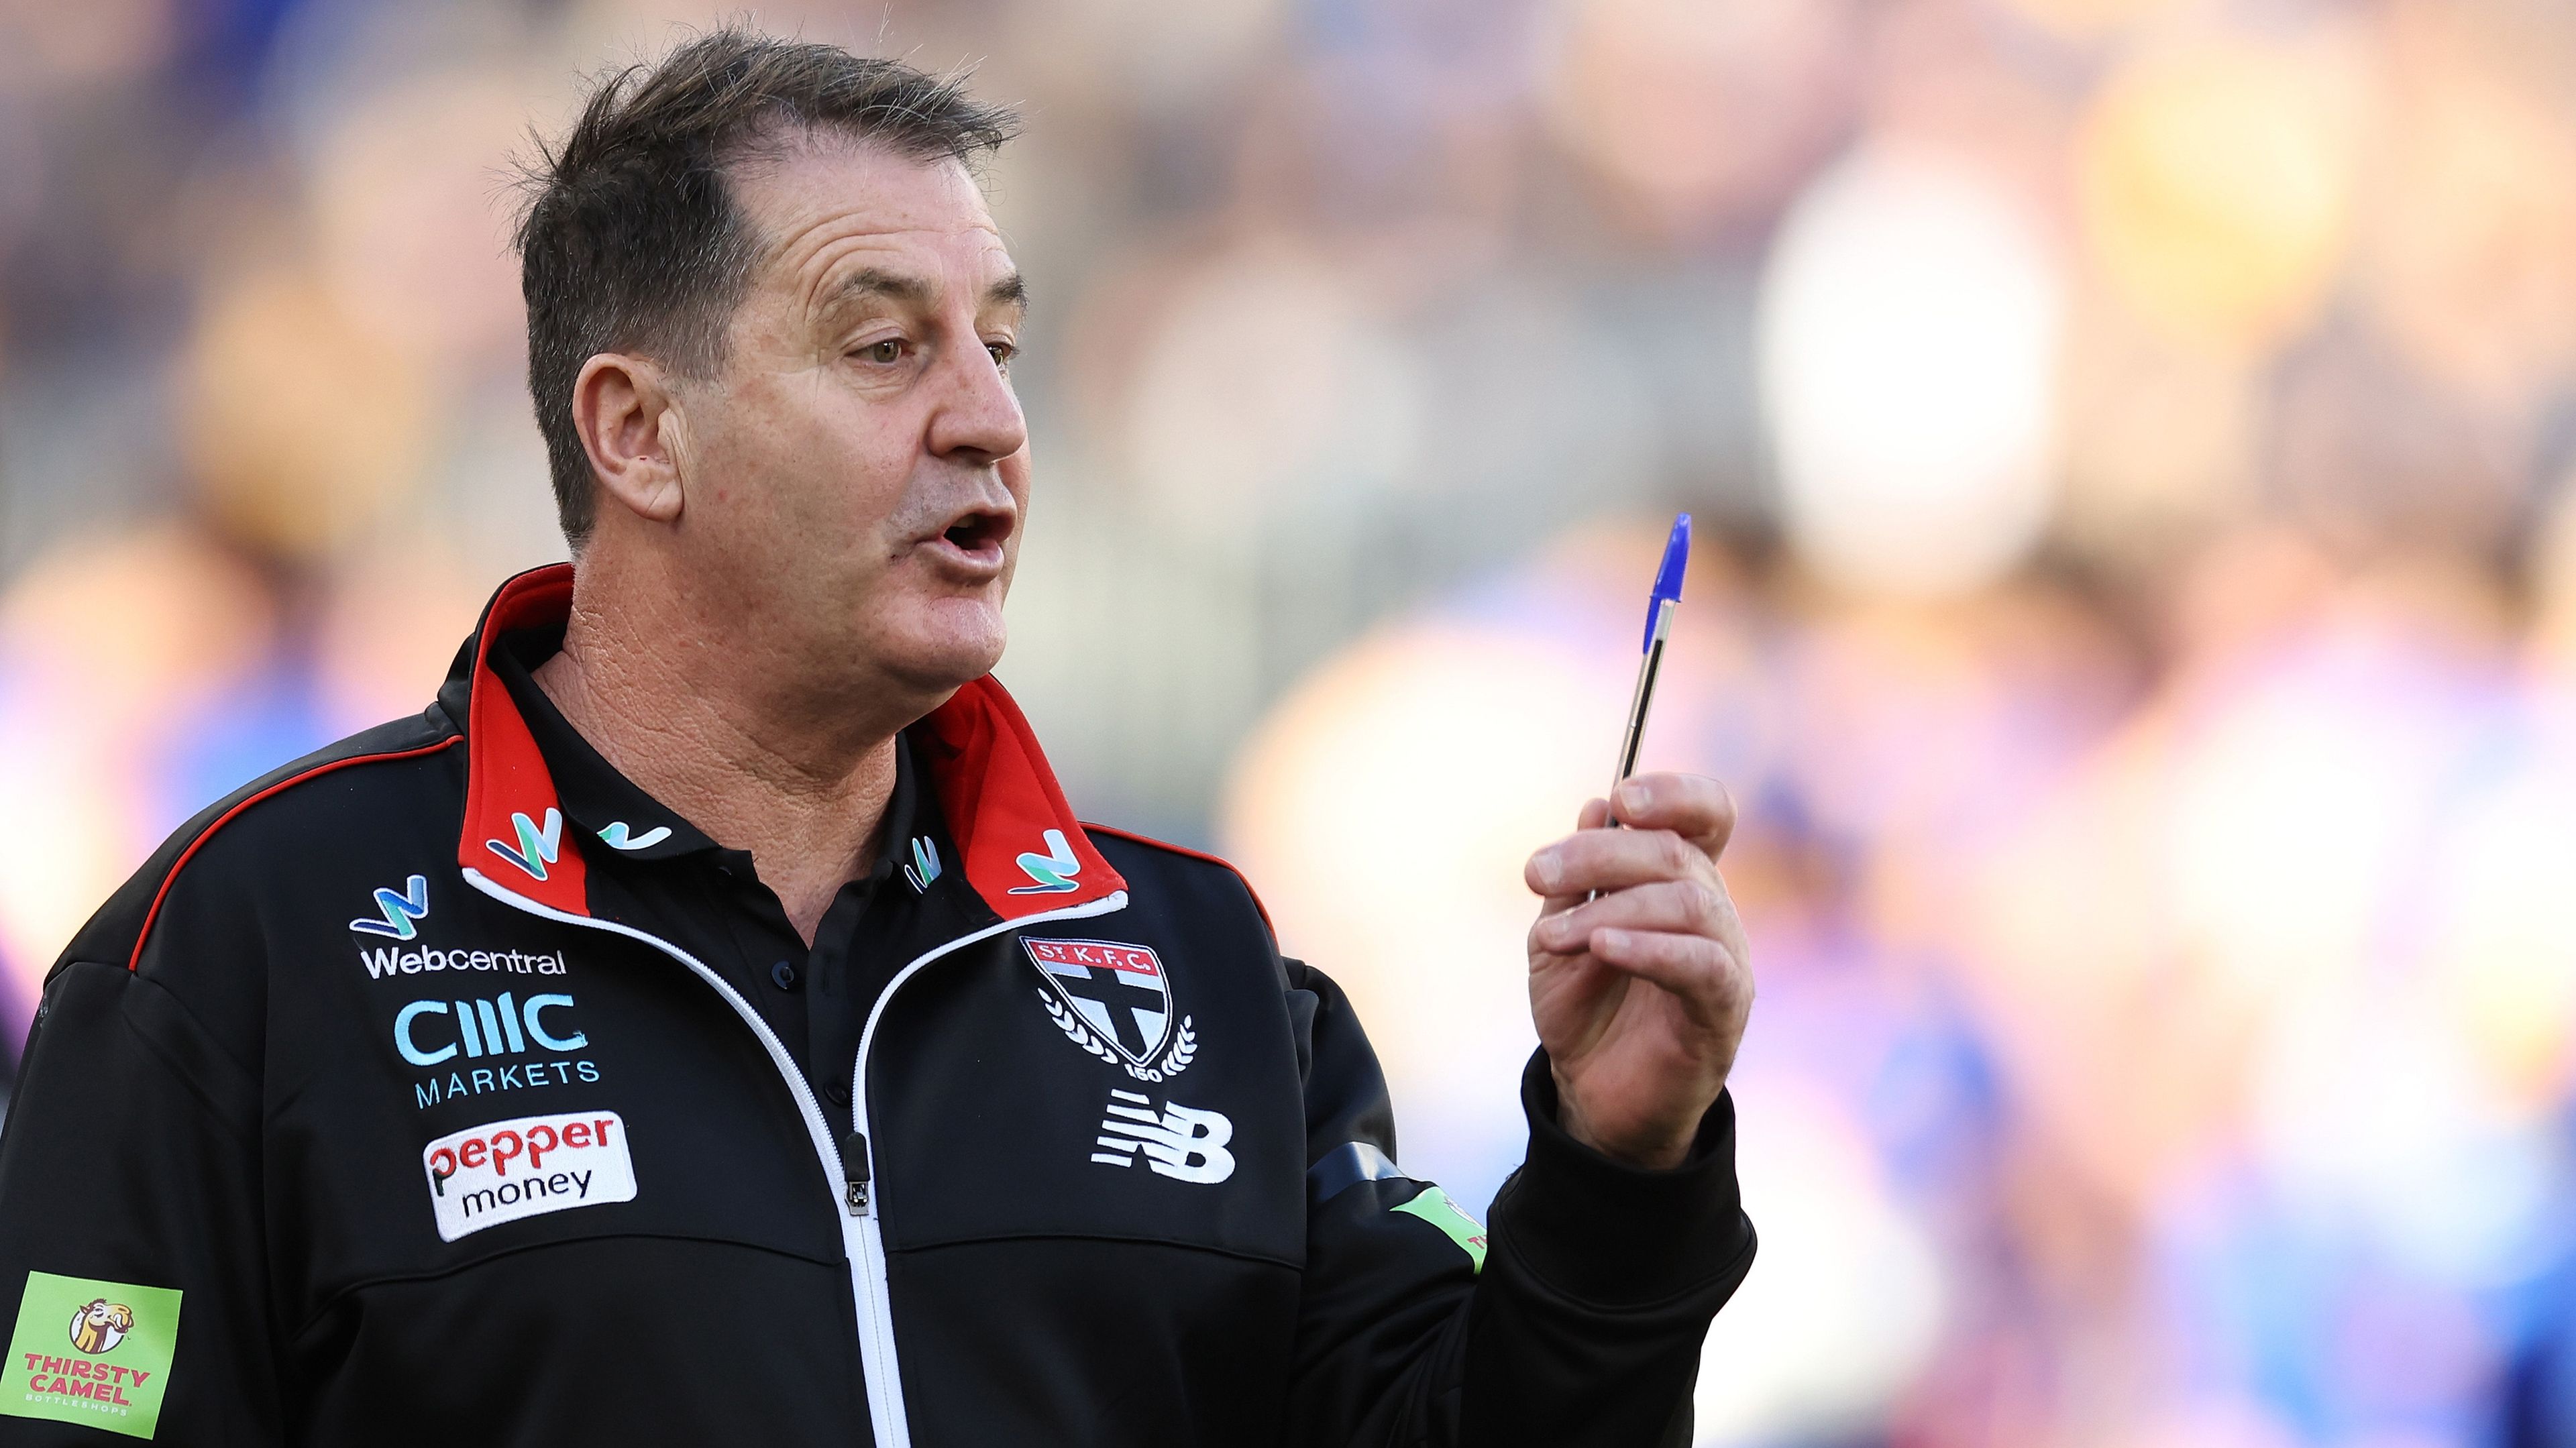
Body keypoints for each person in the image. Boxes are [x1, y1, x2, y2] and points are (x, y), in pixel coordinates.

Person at [0, 27, 1756, 1447]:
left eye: (998, 345)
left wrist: (1618, 1177)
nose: (992, 421)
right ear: (638, 432)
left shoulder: (1205, 972)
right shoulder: (236, 953)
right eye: (882, 347)